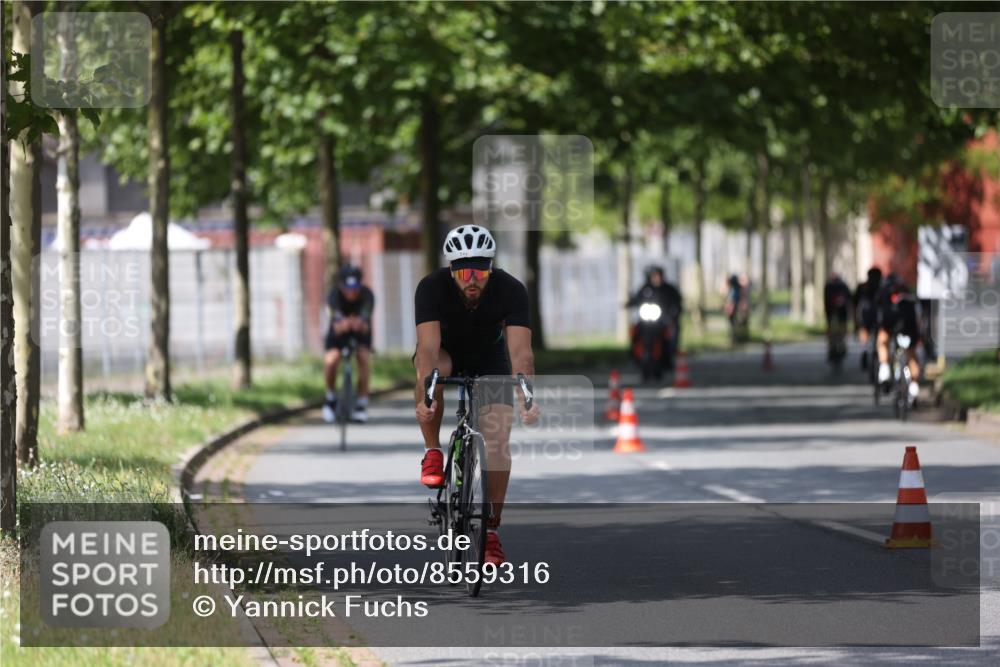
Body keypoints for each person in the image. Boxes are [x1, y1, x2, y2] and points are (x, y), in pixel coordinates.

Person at [412, 225, 539, 566]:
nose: (473, 279)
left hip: (489, 358)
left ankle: (492, 531)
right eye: (465, 271)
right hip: (446, 352)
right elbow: (426, 348)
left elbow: (521, 352)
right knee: (433, 371)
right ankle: (433, 451)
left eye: (481, 271)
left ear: (491, 268)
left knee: (497, 440)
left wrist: (528, 394)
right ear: (451, 270)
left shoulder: (511, 290)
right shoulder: (431, 288)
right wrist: (426, 397)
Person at [323, 265, 374, 424]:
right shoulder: (334, 296)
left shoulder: (367, 295)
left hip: (359, 333)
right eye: (348, 288)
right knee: (331, 360)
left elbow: (364, 321)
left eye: (355, 288)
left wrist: (356, 323)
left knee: (363, 358)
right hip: (339, 333)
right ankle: (330, 399)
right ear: (341, 286)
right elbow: (336, 322)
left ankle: (361, 403)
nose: (351, 292)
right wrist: (345, 323)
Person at [874, 273, 922, 402]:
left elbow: (878, 312)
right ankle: (914, 387)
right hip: (910, 325)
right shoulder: (909, 294)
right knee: (911, 353)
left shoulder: (884, 292)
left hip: (890, 322)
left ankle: (884, 370)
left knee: (882, 339)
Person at [626, 265, 683, 369]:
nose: (656, 278)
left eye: (658, 275)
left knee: (672, 331)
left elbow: (677, 302)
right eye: (654, 276)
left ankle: (670, 355)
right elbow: (636, 299)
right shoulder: (645, 289)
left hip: (662, 320)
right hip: (646, 320)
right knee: (634, 330)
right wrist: (629, 303)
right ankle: (633, 356)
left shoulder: (669, 289)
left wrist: (674, 312)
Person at [852, 267, 882, 370]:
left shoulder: (862, 286)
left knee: (865, 334)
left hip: (864, 315)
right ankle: (875, 352)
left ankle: (865, 350)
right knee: (878, 335)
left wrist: (855, 320)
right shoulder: (882, 286)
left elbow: (855, 303)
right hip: (878, 315)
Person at [824, 272, 852, 362]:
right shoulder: (842, 285)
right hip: (839, 311)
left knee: (833, 329)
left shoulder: (829, 286)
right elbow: (849, 298)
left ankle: (834, 346)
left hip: (832, 311)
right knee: (840, 329)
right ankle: (839, 345)